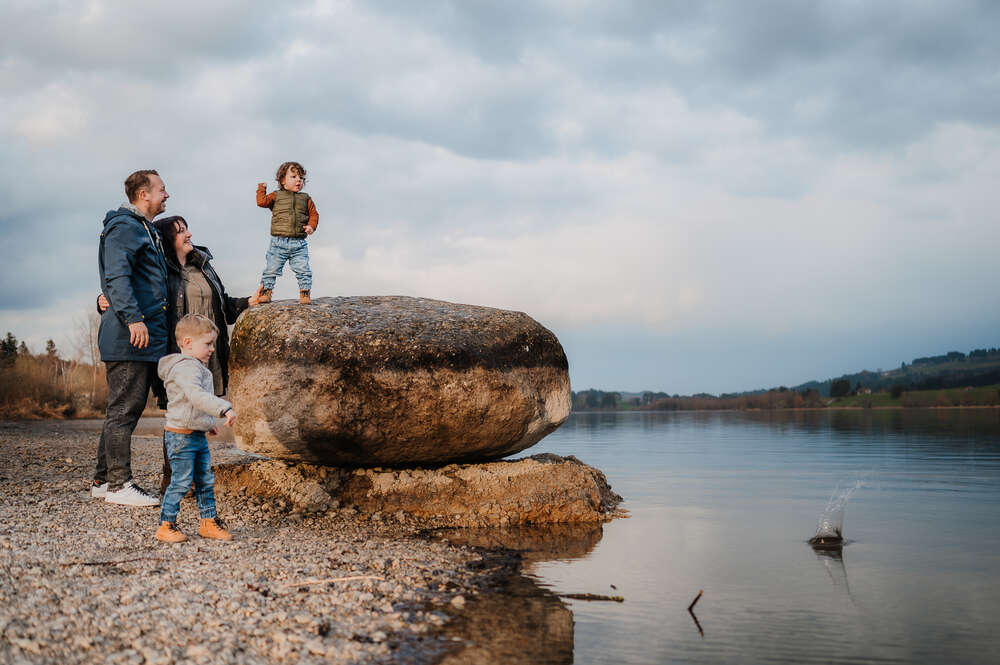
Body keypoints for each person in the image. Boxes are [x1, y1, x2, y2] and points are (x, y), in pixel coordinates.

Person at [100, 216, 262, 494]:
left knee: (198, 412)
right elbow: (131, 288)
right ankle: (171, 481)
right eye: (180, 231)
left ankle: (189, 478)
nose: (188, 235)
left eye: (187, 228)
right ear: (166, 239)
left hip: (206, 351)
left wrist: (249, 302)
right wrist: (105, 301)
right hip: (175, 352)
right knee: (176, 414)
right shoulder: (161, 270)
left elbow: (223, 305)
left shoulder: (204, 267)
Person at [93, 169, 170, 507]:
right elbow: (118, 275)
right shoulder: (125, 227)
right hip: (129, 336)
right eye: (162, 190)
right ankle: (119, 485)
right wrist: (133, 318)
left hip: (140, 336)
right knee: (124, 409)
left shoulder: (143, 229)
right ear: (144, 194)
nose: (167, 195)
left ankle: (102, 479)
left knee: (124, 408)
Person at [155, 314, 236, 543]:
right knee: (181, 481)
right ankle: (166, 525)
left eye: (213, 344)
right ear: (188, 343)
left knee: (205, 480)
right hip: (181, 437)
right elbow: (196, 395)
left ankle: (208, 523)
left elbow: (192, 405)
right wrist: (223, 409)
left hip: (194, 434)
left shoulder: (196, 367)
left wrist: (207, 424)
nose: (212, 349)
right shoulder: (187, 368)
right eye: (208, 344)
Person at [255, 161, 318, 305]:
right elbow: (261, 202)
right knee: (271, 268)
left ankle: (305, 292)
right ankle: (266, 292)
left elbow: (314, 215)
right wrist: (261, 188)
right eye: (294, 176)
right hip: (278, 242)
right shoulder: (276, 196)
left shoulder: (306, 198)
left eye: (301, 178)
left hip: (299, 243)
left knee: (303, 269)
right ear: (283, 181)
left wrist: (311, 226)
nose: (298, 180)